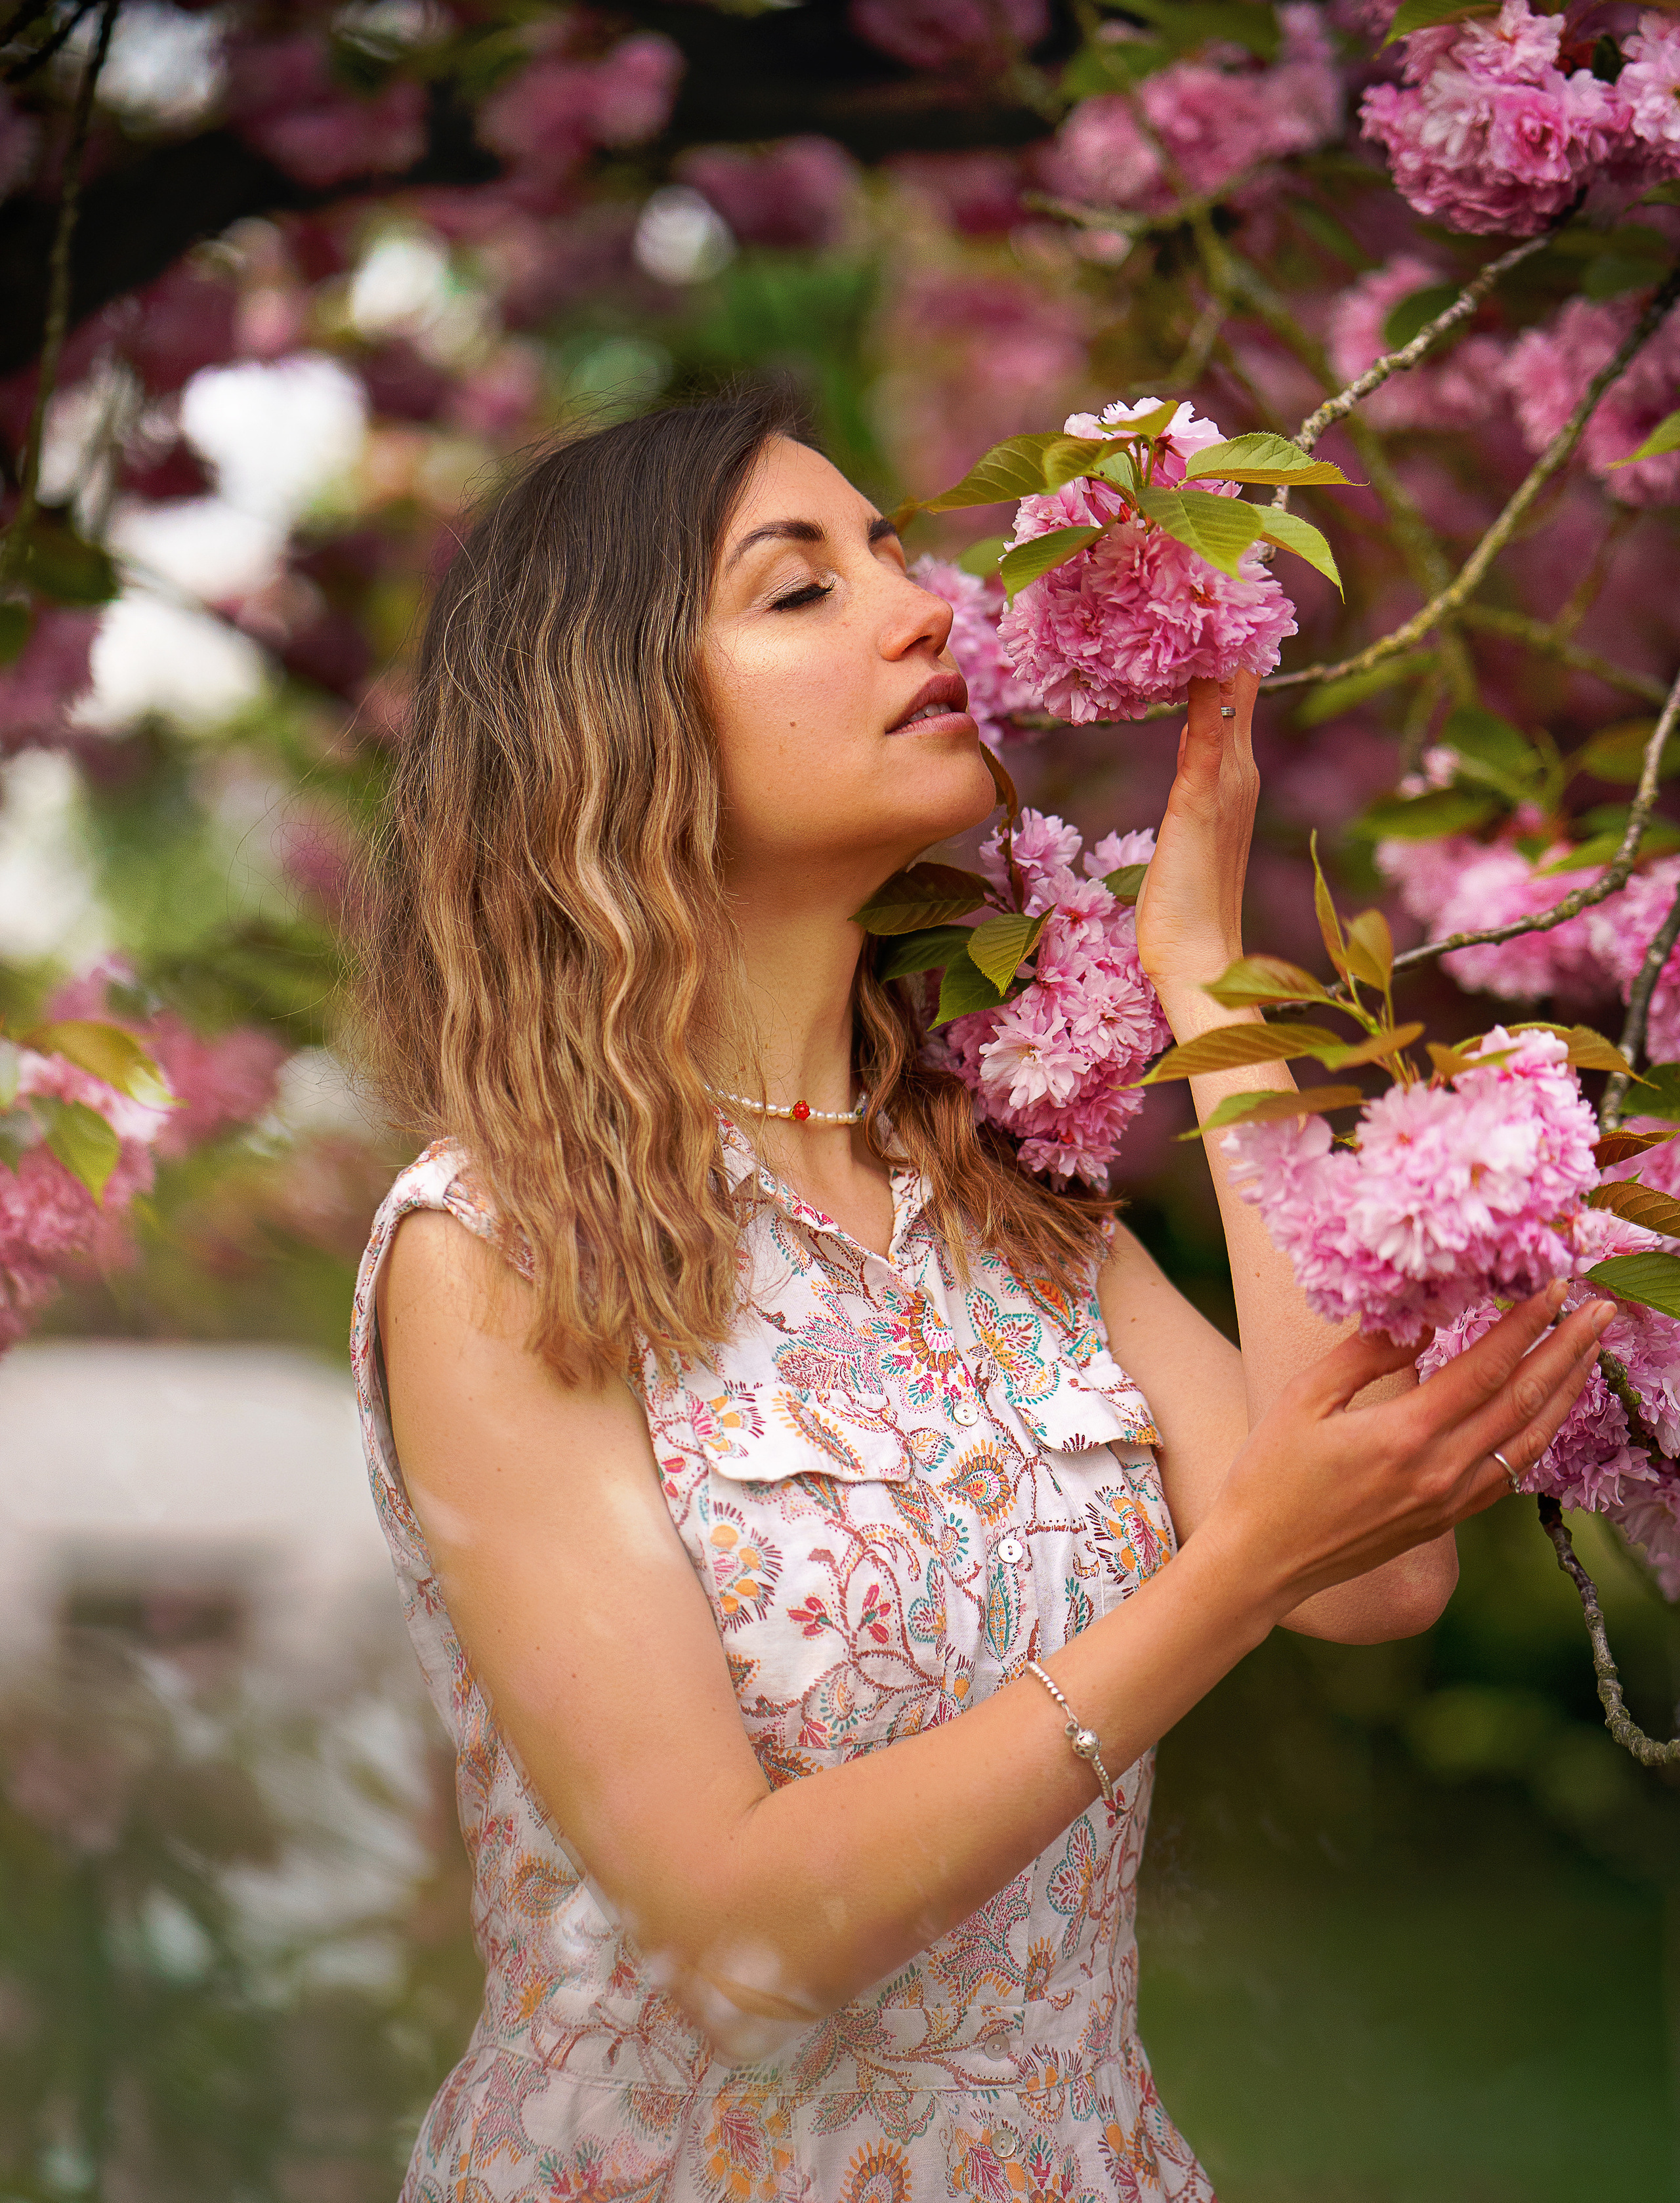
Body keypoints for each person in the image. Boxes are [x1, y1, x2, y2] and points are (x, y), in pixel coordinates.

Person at [352, 384, 1608, 2202]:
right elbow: (737, 1936)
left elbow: (1379, 1568)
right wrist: (1237, 1568)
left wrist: (1204, 976)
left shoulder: (1006, 1196)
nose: (925, 603)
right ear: (609, 727)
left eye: (888, 549)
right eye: (799, 591)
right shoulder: (499, 1245)